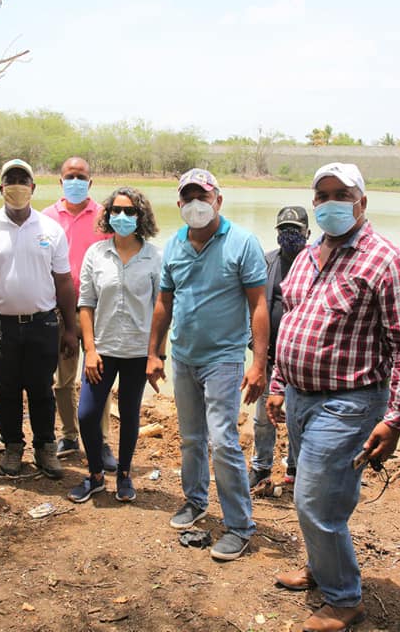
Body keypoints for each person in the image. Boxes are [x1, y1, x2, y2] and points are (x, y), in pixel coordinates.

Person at [267, 163, 400, 632]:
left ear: (362, 201)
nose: (331, 202)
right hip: (300, 396)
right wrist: (278, 385)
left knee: (318, 500)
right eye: (323, 195)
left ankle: (343, 598)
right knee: (309, 492)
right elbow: (290, 322)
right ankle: (321, 569)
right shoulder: (309, 255)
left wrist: (396, 417)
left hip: (350, 403)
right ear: (313, 203)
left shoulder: (387, 261)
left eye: (342, 193)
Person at [146, 168, 268, 562]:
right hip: (183, 357)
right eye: (189, 197)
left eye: (204, 196)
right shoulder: (174, 245)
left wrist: (259, 362)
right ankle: (195, 501)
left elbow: (258, 305)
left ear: (218, 199)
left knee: (223, 441)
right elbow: (164, 303)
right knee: (190, 438)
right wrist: (154, 352)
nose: (196, 204)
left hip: (225, 359)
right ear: (179, 204)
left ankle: (240, 525)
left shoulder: (242, 242)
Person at [0, 159, 77, 480]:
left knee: (41, 389)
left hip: (42, 323)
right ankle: (13, 446)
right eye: (10, 180)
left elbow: (64, 282)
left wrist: (70, 328)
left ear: (33, 188)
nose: (17, 185)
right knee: (6, 390)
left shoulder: (50, 230)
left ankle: (45, 447)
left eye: (22, 180)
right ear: (1, 188)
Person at [67, 187, 162, 503]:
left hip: (137, 352)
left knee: (130, 413)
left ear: (141, 217)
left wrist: (155, 355)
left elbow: (162, 309)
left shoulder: (153, 257)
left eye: (130, 211)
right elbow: (85, 304)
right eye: (116, 211)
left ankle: (123, 474)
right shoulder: (96, 254)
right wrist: (90, 350)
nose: (122, 217)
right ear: (107, 215)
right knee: (87, 414)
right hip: (102, 351)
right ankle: (95, 475)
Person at [41, 157, 114, 467]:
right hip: (59, 309)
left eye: (80, 176)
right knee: (63, 378)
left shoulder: (104, 217)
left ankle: (103, 441)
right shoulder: (44, 218)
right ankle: (70, 435)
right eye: (69, 176)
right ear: (60, 181)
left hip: (98, 309)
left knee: (100, 376)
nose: (75, 181)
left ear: (90, 182)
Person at [247, 206, 309, 488]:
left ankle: (295, 469)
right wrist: (255, 347)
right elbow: (252, 304)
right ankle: (261, 467)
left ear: (308, 233)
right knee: (263, 418)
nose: (290, 235)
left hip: (302, 361)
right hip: (268, 358)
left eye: (295, 230)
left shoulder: (317, 263)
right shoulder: (267, 262)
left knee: (297, 419)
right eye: (284, 230)